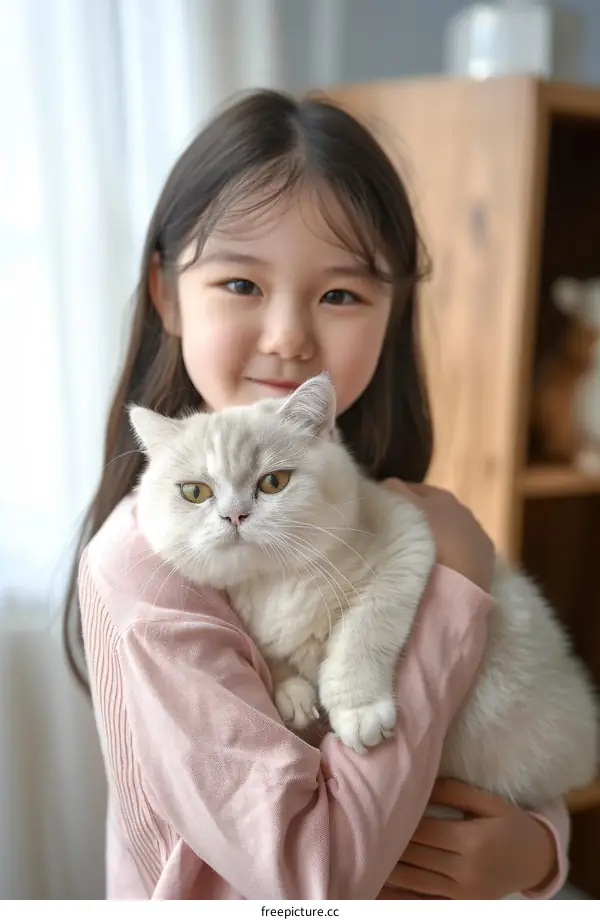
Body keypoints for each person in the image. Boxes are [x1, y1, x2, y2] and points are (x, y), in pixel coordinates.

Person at [65, 89, 569, 900]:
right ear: (165, 294)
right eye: (240, 283)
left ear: (392, 311)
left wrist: (544, 849)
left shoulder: (371, 503)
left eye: (340, 294)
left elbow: (479, 733)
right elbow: (310, 881)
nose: (290, 335)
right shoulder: (147, 572)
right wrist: (457, 587)